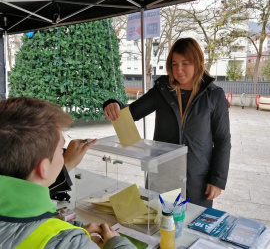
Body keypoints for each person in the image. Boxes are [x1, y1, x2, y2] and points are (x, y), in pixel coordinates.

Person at [103, 37, 231, 208]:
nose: (179, 70)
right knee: (159, 223)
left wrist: (217, 179)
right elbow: (131, 112)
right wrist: (114, 104)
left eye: (185, 63)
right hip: (163, 176)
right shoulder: (163, 89)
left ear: (197, 62)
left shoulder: (214, 95)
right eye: (174, 64)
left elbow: (222, 140)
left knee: (192, 228)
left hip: (198, 179)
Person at [0, 97, 135, 249]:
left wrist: (70, 232)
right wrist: (117, 243)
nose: (64, 153)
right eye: (60, 149)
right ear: (42, 169)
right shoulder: (71, 244)